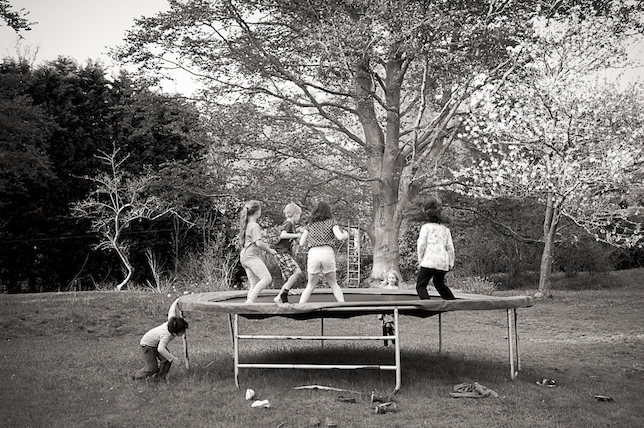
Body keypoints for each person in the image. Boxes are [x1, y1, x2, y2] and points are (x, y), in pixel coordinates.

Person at [298, 201, 349, 304]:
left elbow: (301, 243)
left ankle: (300, 307)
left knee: (310, 285)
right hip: (327, 252)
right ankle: (343, 305)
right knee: (333, 283)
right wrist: (346, 235)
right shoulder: (331, 222)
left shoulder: (310, 224)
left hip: (313, 253)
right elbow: (340, 236)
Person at [409, 195, 455, 300]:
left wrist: (421, 260)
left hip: (429, 260)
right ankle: (451, 301)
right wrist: (450, 263)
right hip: (442, 261)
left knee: (421, 285)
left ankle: (428, 305)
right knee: (439, 283)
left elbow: (421, 245)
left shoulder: (426, 228)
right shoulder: (445, 230)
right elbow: (450, 248)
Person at [239, 200, 278, 303]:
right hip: (251, 257)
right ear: (257, 212)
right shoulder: (254, 225)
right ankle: (250, 300)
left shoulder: (247, 224)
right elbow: (259, 243)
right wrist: (270, 250)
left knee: (254, 283)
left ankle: (248, 304)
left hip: (244, 257)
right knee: (266, 278)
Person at [132, 315, 189, 381]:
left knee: (166, 359)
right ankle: (136, 376)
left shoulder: (171, 325)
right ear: (175, 332)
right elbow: (161, 349)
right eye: (182, 331)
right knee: (152, 368)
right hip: (147, 346)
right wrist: (173, 359)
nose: (184, 332)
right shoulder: (166, 335)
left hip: (157, 344)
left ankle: (159, 378)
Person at [273, 202, 304, 304]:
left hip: (282, 253)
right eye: (299, 215)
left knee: (289, 278)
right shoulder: (288, 223)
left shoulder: (292, 226)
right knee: (297, 272)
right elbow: (283, 235)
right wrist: (296, 235)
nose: (299, 218)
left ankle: (279, 297)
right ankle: (284, 294)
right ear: (295, 214)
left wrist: (299, 238)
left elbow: (297, 242)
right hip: (282, 253)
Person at [377, 270, 401, 346]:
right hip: (384, 310)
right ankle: (385, 344)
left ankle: (394, 341)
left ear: (396, 279)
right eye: (389, 278)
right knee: (384, 327)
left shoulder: (397, 289)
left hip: (392, 310)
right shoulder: (384, 288)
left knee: (389, 327)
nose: (391, 280)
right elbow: (381, 300)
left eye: (393, 278)